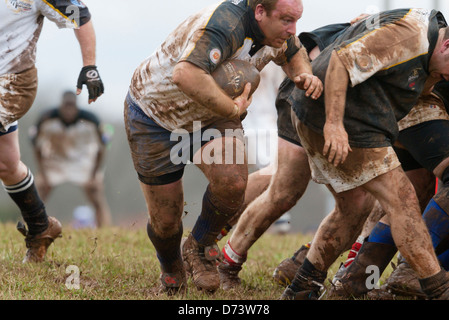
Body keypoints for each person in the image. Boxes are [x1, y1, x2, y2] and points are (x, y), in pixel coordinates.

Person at [124, 0, 322, 294]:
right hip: (156, 116)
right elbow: (185, 74)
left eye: (296, 20)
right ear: (259, 12)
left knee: (232, 182)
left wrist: (303, 73)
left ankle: (200, 247)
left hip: (210, 118)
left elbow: (294, 52)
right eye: (286, 20)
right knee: (166, 221)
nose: (292, 30)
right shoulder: (223, 25)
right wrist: (231, 109)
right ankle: (171, 267)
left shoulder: (277, 31)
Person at [279, 8, 449, 300]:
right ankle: (436, 286)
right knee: (403, 198)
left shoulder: (429, 45)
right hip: (337, 114)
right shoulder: (412, 36)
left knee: (353, 208)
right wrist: (334, 125)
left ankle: (302, 288)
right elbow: (340, 63)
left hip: (331, 112)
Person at [0, 0, 104, 263]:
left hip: (12, 83)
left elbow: (80, 14)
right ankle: (40, 226)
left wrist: (89, 66)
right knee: (7, 164)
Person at [30, 91, 112, 228]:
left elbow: (102, 147)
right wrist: (42, 172)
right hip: (55, 159)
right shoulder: (46, 118)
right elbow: (36, 145)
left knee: (96, 194)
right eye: (66, 106)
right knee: (38, 193)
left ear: (76, 107)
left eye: (71, 106)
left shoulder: (91, 120)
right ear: (60, 106)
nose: (68, 111)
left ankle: (105, 228)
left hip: (83, 160)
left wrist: (94, 174)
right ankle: (32, 226)